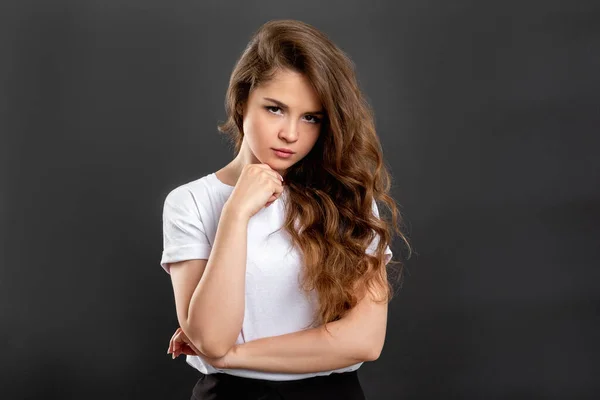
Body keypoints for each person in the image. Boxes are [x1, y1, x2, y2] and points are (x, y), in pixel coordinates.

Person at [160, 19, 411, 400]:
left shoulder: (349, 199)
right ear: (242, 101)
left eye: (311, 118)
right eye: (275, 109)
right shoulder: (190, 202)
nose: (291, 134)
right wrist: (236, 213)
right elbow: (212, 336)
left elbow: (365, 339)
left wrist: (231, 356)